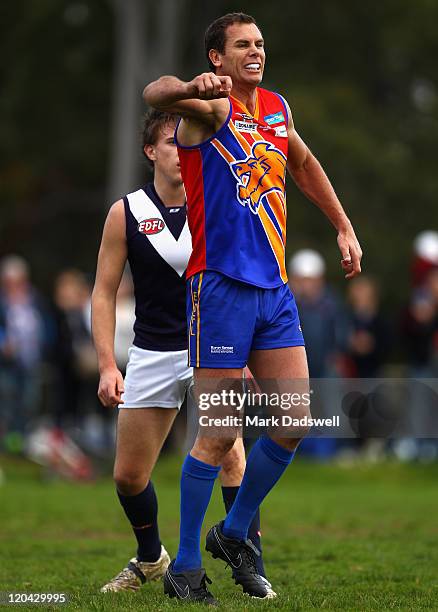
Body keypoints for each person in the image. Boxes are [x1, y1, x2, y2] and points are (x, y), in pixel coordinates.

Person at [144, 12, 362, 603]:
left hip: (276, 293)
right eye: (242, 44)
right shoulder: (208, 109)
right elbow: (153, 91)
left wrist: (343, 226)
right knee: (218, 432)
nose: (255, 51)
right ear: (217, 57)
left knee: (292, 422)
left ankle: (233, 531)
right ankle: (185, 568)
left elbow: (305, 165)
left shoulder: (275, 107)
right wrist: (191, 87)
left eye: (260, 42)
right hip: (219, 290)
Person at [91, 109, 271, 595]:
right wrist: (108, 364)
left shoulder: (216, 203)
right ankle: (150, 557)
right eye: (172, 142)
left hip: (214, 348)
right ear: (151, 151)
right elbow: (104, 293)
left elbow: (244, 285)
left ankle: (248, 564)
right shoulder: (125, 212)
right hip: (151, 350)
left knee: (231, 453)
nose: (182, 150)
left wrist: (250, 359)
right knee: (129, 477)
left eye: (189, 143)